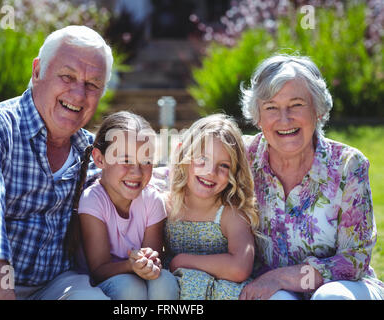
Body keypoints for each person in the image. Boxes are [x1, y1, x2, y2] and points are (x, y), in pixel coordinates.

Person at [0, 25, 113, 300]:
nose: (78, 94)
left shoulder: (91, 151)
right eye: (67, 77)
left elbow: (143, 187)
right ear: (38, 71)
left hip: (52, 284)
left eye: (92, 85)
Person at [238, 54, 384, 300]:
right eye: (271, 107)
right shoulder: (242, 158)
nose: (284, 119)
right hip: (274, 292)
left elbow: (355, 260)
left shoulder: (348, 164)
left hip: (343, 287)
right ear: (258, 117)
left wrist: (281, 276)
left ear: (318, 109)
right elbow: (186, 172)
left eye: (296, 105)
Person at [75, 111, 179, 300]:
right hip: (105, 281)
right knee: (131, 287)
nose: (137, 172)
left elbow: (155, 259)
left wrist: (149, 261)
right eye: (125, 160)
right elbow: (98, 269)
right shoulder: (93, 200)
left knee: (164, 280)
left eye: (146, 161)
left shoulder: (152, 200)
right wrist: (131, 265)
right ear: (100, 159)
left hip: (139, 277)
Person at [164, 114, 258, 299]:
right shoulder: (166, 205)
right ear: (184, 154)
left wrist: (182, 261)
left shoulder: (230, 213)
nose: (211, 172)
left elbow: (239, 268)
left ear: (235, 171)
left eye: (223, 165)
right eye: (203, 159)